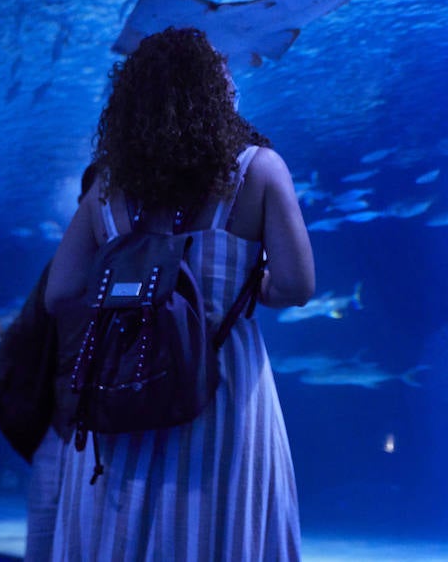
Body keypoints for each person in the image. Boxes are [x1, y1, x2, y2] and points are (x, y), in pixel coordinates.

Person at [43, 27, 315, 561]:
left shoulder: (107, 185)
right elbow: (297, 285)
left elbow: (61, 292)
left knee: (113, 535)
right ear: (214, 92)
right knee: (213, 531)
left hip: (124, 389)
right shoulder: (258, 170)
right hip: (219, 390)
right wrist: (245, 284)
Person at [0, 161, 100, 562]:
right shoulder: (60, 267)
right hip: (59, 434)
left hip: (124, 440)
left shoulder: (150, 262)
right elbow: (19, 337)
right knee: (43, 546)